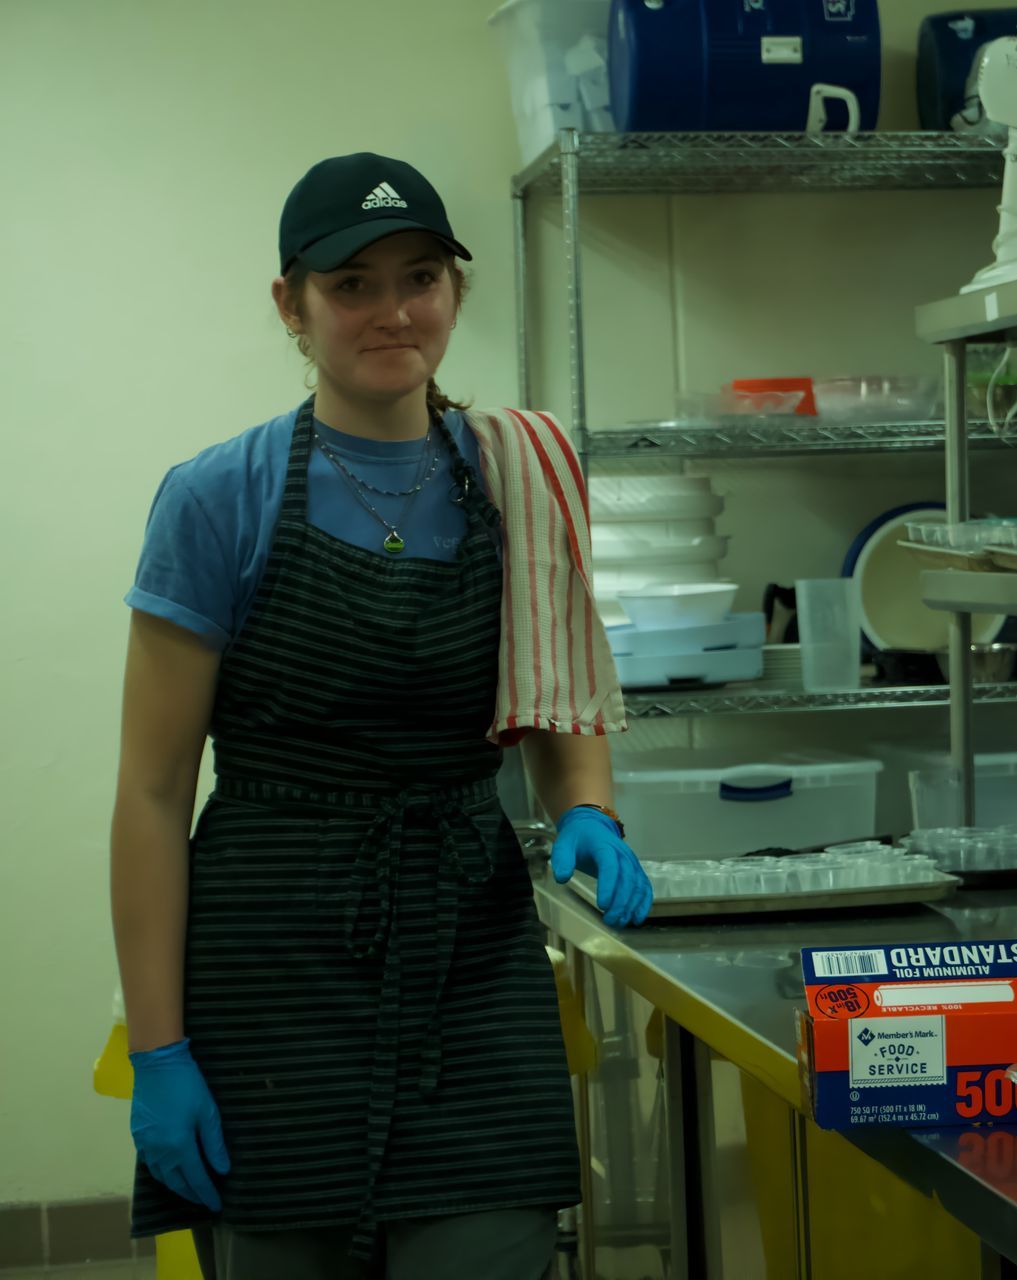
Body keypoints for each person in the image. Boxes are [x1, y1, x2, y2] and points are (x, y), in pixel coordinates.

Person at [111, 152, 650, 1280]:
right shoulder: (221, 495)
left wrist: (588, 804)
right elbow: (154, 794)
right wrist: (160, 1048)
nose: (393, 310)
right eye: (351, 284)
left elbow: (555, 694)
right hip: (270, 966)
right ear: (291, 305)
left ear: (456, 292)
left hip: (471, 940)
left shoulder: (519, 472)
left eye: (420, 277)